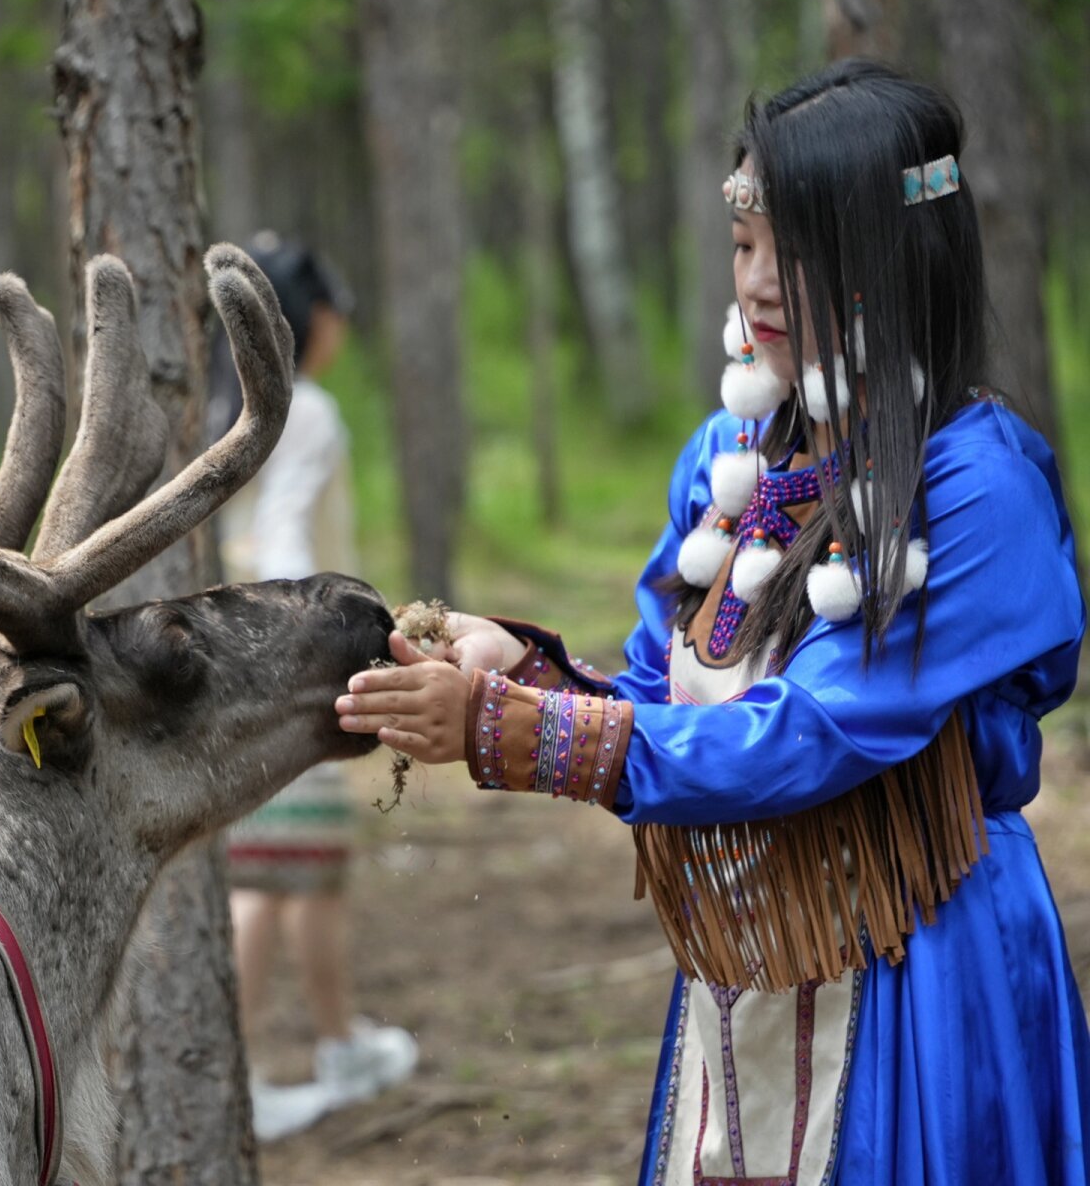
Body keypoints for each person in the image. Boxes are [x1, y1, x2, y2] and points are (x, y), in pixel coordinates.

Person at [336, 60, 1090, 1183]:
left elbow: (812, 734)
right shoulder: (731, 460)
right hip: (754, 962)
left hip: (920, 965)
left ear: (898, 251)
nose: (761, 283)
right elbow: (663, 690)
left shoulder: (975, 488)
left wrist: (511, 733)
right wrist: (528, 676)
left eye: (801, 247)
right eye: (746, 246)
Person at [218, 233, 418, 1143]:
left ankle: (337, 1041)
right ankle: (241, 1078)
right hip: (290, 655)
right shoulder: (309, 411)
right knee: (271, 873)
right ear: (309, 321)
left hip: (222, 655)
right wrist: (315, 644)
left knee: (301, 870)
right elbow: (288, 535)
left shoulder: (218, 408)